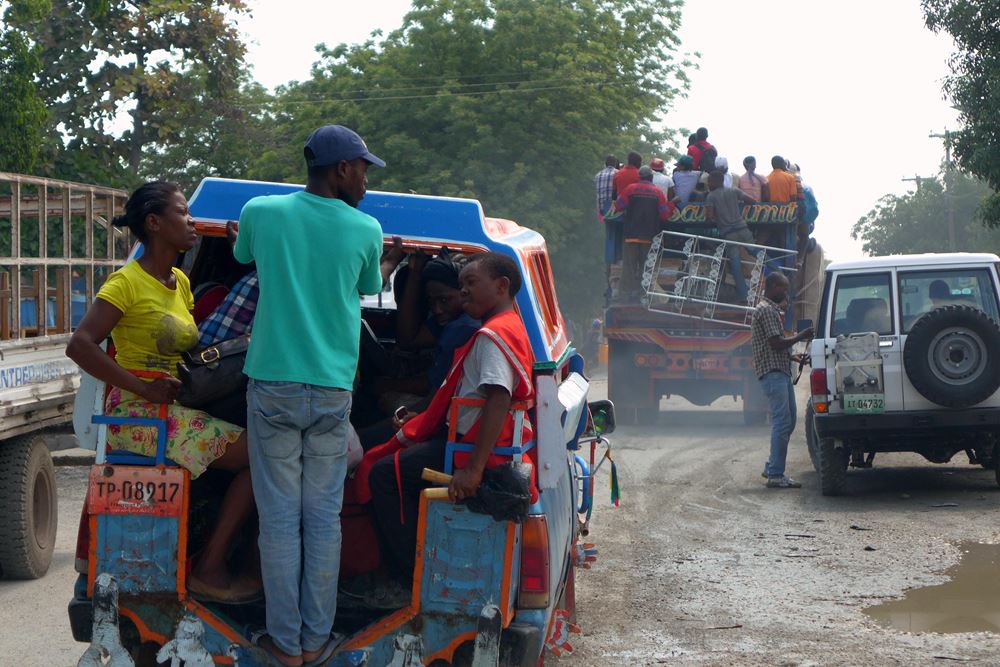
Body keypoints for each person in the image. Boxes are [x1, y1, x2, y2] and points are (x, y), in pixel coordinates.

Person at [231, 124, 405, 667]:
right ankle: (315, 641)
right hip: (331, 390)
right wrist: (390, 267)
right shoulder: (366, 229)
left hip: (271, 386)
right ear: (339, 170)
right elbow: (363, 288)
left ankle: (285, 647)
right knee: (322, 519)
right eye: (362, 169)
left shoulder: (262, 211)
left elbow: (242, 254)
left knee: (279, 519)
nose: (366, 180)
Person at [66, 182, 258, 604]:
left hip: (171, 405)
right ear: (154, 223)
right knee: (260, 458)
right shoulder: (125, 283)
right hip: (136, 414)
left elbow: (190, 351)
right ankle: (210, 567)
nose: (191, 222)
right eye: (182, 214)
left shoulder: (182, 284)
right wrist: (142, 388)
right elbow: (80, 345)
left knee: (261, 443)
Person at [359, 253, 536, 607]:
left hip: (472, 450)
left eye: (471, 283)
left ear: (501, 286)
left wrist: (472, 470)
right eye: (462, 284)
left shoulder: (492, 335)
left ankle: (406, 576)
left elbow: (497, 401)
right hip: (465, 440)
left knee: (382, 474)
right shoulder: (509, 325)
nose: (463, 291)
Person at [751, 272, 813, 489]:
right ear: (773, 286)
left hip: (779, 370)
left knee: (789, 420)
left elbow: (774, 346)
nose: (785, 293)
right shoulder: (767, 310)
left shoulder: (769, 310)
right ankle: (776, 474)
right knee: (783, 422)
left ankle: (772, 467)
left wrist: (794, 356)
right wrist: (801, 335)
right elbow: (776, 343)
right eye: (783, 289)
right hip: (773, 373)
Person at [608, 166, 675, 300]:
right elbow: (664, 215)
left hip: (630, 237)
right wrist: (672, 204)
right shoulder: (658, 193)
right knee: (647, 270)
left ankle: (624, 297)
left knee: (628, 269)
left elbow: (619, 206)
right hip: (649, 238)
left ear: (640, 177)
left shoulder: (630, 189)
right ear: (651, 178)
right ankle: (643, 296)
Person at [705, 171, 757, 301]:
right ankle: (778, 270)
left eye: (709, 181)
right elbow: (752, 201)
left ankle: (745, 296)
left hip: (729, 234)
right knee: (757, 252)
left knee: (735, 265)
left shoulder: (711, 196)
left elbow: (709, 216)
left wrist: (717, 217)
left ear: (715, 181)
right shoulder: (734, 190)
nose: (708, 184)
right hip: (742, 228)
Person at [594, 155, 618, 219]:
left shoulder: (598, 175)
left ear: (606, 164)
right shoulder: (618, 173)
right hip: (614, 209)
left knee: (609, 225)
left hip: (601, 210)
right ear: (615, 164)